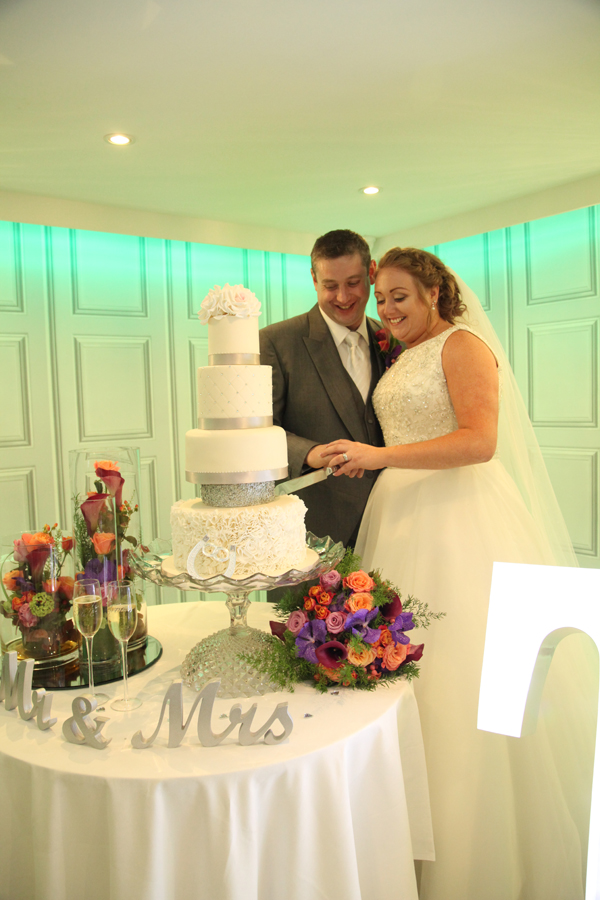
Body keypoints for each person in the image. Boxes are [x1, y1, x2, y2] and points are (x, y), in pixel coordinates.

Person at [323, 247, 596, 900]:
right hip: (402, 516)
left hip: (460, 520)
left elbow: (479, 441)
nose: (386, 310)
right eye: (381, 298)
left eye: (399, 297)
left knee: (463, 673)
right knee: (405, 670)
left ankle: (475, 851)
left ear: (435, 293)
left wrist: (378, 455)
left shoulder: (463, 345)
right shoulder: (406, 354)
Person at [259, 229, 385, 547]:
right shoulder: (275, 341)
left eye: (353, 283)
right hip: (315, 529)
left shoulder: (394, 339)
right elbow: (259, 431)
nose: (342, 297)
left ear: (371, 273)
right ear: (314, 279)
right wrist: (311, 453)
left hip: (392, 521)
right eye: (330, 286)